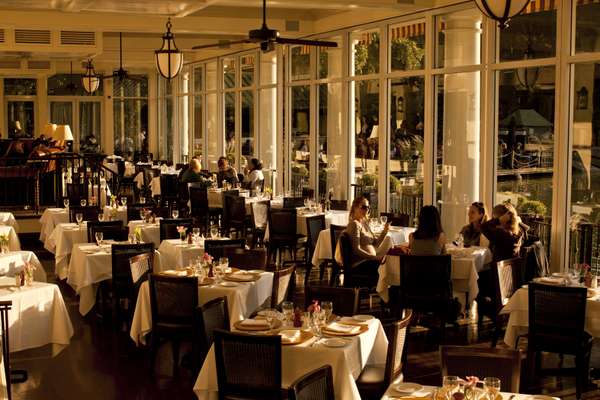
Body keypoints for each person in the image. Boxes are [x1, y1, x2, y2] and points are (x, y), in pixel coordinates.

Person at [344, 196, 391, 271]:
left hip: (368, 261)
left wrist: (385, 231)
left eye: (368, 207)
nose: (367, 209)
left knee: (392, 255)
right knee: (389, 265)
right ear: (355, 208)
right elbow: (356, 250)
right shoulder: (354, 224)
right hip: (361, 263)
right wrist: (374, 258)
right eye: (363, 207)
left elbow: (376, 244)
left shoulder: (364, 223)